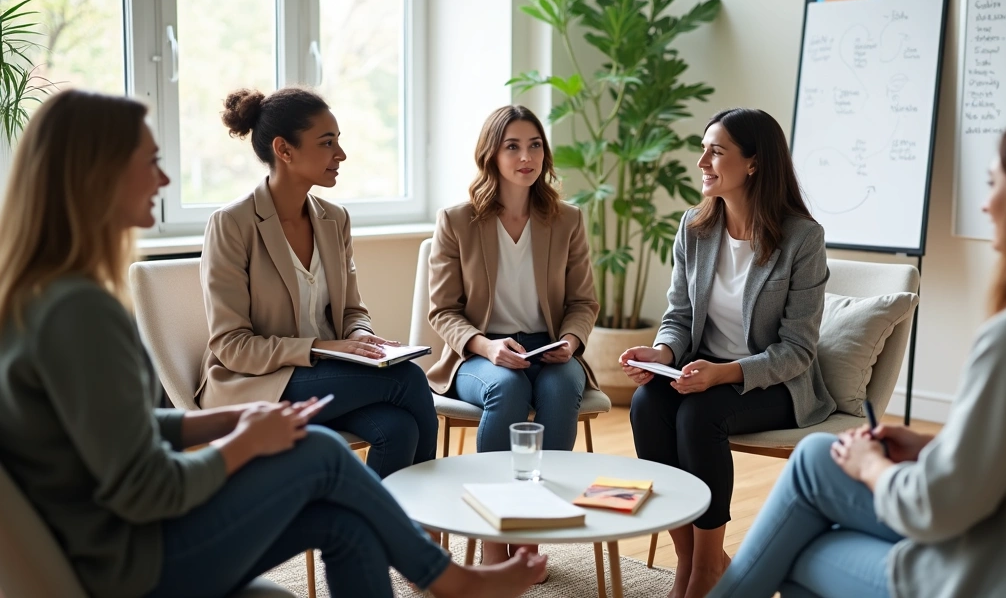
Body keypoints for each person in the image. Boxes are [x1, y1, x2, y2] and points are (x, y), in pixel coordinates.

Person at [0, 89, 548, 598]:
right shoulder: (83, 310)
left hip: (123, 539)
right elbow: (149, 485)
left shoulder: (43, 298)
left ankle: (406, 542)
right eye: (149, 162)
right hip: (127, 560)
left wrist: (349, 345)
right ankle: (438, 566)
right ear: (96, 175)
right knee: (337, 437)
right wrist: (247, 436)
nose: (164, 180)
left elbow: (119, 432)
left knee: (369, 479)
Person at [707, 111, 1006, 598]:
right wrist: (928, 448)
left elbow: (935, 509)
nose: (985, 206)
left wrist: (871, 466)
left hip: (999, 573)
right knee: (816, 457)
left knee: (803, 543)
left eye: (993, 182)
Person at [619, 108, 837, 598]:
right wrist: (660, 352)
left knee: (699, 415)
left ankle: (704, 576)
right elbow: (678, 317)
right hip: (698, 372)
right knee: (647, 405)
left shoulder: (803, 239)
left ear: (754, 164)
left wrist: (724, 374)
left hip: (772, 382)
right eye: (704, 148)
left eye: (716, 151)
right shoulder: (694, 229)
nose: (702, 161)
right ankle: (695, 562)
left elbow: (797, 350)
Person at [198, 87, 436, 478]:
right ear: (284, 150)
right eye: (328, 143)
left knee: (398, 429)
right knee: (408, 379)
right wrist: (325, 348)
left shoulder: (334, 218)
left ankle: (367, 538)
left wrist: (361, 337)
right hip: (262, 383)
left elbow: (352, 311)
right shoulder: (232, 224)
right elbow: (231, 347)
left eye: (338, 142)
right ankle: (425, 529)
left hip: (327, 374)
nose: (340, 155)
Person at [428, 104, 599, 564]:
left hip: (549, 346)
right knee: (505, 388)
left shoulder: (567, 220)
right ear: (492, 155)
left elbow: (584, 303)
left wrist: (572, 342)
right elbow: (442, 311)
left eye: (535, 145)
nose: (527, 157)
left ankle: (530, 538)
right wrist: (486, 346)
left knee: (562, 389)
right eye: (513, 146)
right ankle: (491, 537)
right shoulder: (457, 221)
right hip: (479, 351)